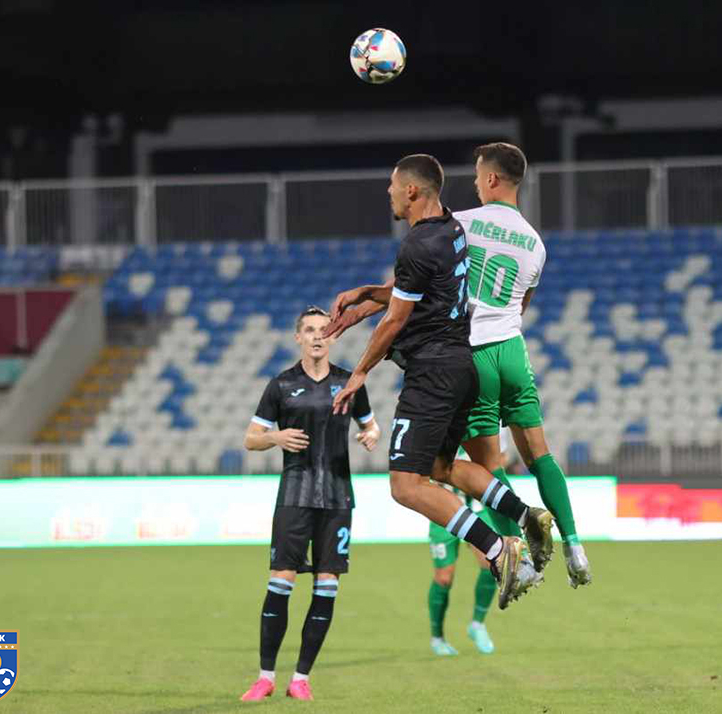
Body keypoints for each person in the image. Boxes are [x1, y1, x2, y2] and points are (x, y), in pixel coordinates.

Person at [326, 143, 592, 587]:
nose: (472, 182)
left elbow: (407, 300)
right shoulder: (524, 241)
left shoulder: (460, 225)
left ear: (489, 180)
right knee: (512, 457)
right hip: (502, 350)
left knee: (440, 476)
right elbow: (518, 303)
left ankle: (509, 553)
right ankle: (561, 537)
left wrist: (362, 348)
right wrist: (369, 298)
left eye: (476, 175)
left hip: (457, 358)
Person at [239, 306, 381, 703]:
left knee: (326, 585)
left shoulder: (350, 382)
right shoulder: (281, 386)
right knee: (281, 581)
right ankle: (265, 676)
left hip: (337, 497)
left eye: (324, 330)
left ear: (333, 337)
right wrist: (276, 437)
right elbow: (251, 438)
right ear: (297, 338)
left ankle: (300, 677)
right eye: (310, 330)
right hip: (295, 496)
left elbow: (371, 424)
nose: (318, 336)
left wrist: (371, 434)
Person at [427, 428, 514, 656]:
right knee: (444, 577)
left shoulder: (489, 420)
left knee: (492, 563)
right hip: (442, 507)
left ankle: (477, 624)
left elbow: (501, 458)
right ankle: (437, 637)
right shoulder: (436, 416)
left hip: (476, 507)